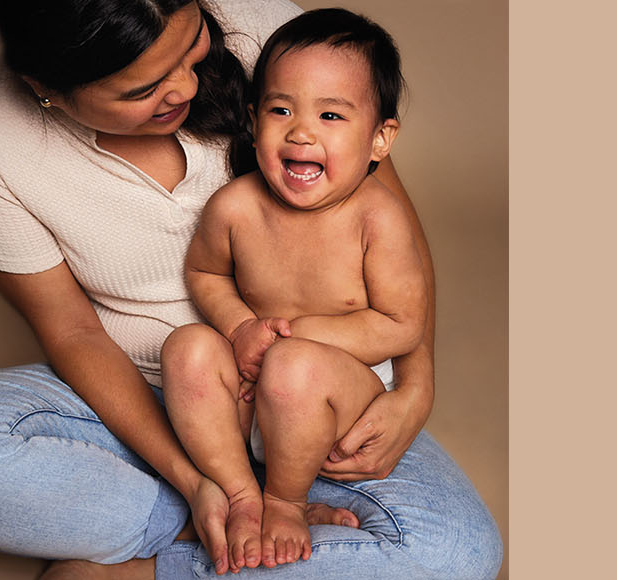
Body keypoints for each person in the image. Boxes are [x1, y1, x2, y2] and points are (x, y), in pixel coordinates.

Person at [0, 0, 502, 578]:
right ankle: (216, 517)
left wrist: (415, 390)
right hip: (154, 398)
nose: (184, 87)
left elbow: (392, 250)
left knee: (457, 552)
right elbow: (74, 333)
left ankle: (151, 565)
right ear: (46, 89)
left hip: (326, 407)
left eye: (192, 49)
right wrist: (198, 481)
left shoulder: (294, 44)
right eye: (143, 88)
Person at [163, 8, 422, 570]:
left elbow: (401, 324)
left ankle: (287, 501)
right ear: (254, 121)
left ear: (380, 139)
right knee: (186, 348)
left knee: (296, 368)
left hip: (335, 402)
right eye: (281, 109)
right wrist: (237, 327)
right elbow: (206, 274)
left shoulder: (378, 217)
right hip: (250, 398)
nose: (301, 130)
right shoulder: (235, 207)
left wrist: (295, 338)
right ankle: (240, 495)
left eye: (331, 115)